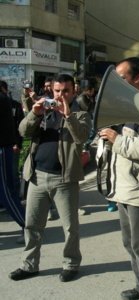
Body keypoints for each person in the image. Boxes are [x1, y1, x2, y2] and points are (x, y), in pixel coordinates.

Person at [9, 74, 91, 282]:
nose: (60, 95)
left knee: (70, 227)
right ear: (51, 91)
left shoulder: (80, 114)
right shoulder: (43, 111)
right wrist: (35, 114)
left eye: (65, 91)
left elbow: (81, 136)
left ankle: (71, 264)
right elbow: (23, 131)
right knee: (32, 225)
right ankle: (29, 265)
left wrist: (67, 115)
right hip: (37, 176)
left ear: (74, 92)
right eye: (57, 91)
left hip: (64, 180)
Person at [98, 57, 139, 300]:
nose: (116, 83)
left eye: (122, 77)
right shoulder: (124, 105)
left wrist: (117, 140)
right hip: (123, 188)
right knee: (130, 245)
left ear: (136, 78)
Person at [0, 81, 25, 235]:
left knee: (6, 191)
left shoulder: (2, 99)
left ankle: (27, 225)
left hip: (2, 149)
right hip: (5, 147)